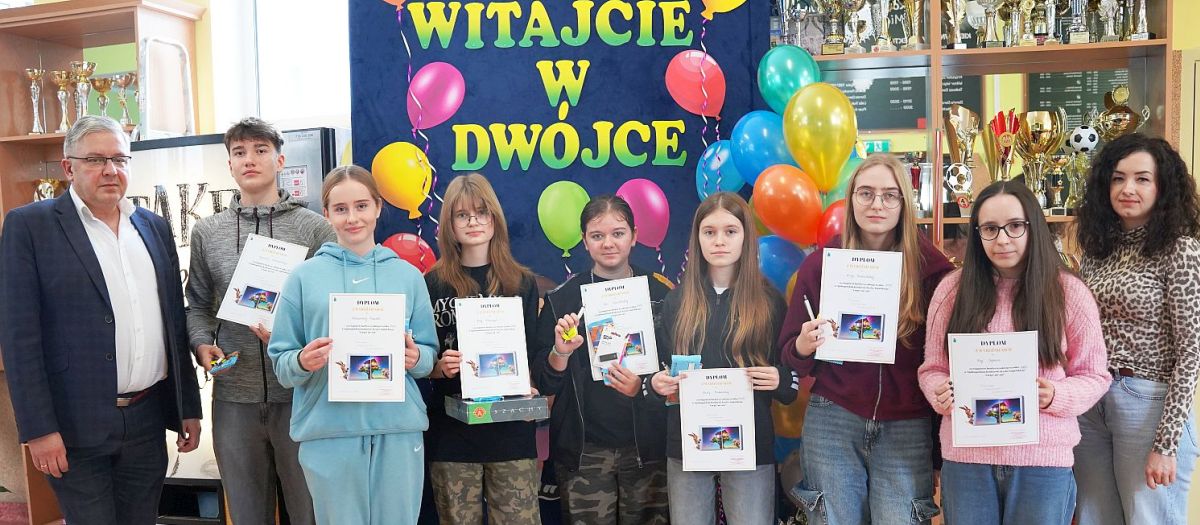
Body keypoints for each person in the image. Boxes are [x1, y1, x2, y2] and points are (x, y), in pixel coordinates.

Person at [0, 115, 202, 525]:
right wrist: (39, 430)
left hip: (147, 419)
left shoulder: (153, 227)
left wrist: (187, 407)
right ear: (68, 167)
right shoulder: (30, 226)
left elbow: (172, 324)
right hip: (73, 426)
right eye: (95, 160)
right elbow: (19, 338)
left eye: (119, 159)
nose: (111, 170)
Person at [918, 180, 1110, 525]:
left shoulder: (1068, 292)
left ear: (1032, 226)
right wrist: (940, 392)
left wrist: (1057, 395)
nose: (1002, 239)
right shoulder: (952, 291)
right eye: (990, 229)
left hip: (1042, 462)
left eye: (1014, 226)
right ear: (977, 234)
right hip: (967, 460)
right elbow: (932, 368)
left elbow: (1095, 375)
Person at [780, 154, 953, 525]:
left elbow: (943, 361)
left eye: (890, 195)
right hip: (834, 418)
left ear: (904, 202)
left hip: (906, 424)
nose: (877, 204)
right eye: (866, 193)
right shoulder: (821, 264)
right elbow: (789, 352)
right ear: (852, 198)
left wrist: (939, 450)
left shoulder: (934, 271)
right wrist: (804, 345)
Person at [267, 165, 437, 525]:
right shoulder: (302, 278)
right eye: (341, 209)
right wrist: (302, 361)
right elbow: (282, 364)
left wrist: (415, 357)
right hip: (328, 431)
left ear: (378, 207)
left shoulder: (408, 277)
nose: (352, 218)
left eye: (361, 206)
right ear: (326, 213)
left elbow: (428, 356)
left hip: (397, 430)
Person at [186, 117, 330, 525]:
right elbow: (197, 304)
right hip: (234, 396)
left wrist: (293, 339)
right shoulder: (207, 232)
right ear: (230, 165)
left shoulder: (315, 229)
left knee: (309, 513)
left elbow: (331, 308)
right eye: (239, 152)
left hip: (301, 395)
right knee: (247, 515)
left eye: (260, 150)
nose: (249, 159)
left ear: (280, 160)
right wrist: (201, 345)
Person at [1072, 133, 1200, 525]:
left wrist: (1167, 442)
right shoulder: (1098, 250)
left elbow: (1191, 353)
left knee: (1150, 518)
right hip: (1092, 402)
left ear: (1163, 187)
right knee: (1094, 517)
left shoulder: (1181, 249)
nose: (1128, 188)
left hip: (1146, 403)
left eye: (1142, 178)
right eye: (1118, 178)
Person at [647, 192, 796, 523]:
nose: (719, 241)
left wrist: (779, 377)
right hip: (688, 444)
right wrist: (657, 384)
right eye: (709, 232)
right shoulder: (676, 302)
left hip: (750, 445)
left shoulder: (769, 303)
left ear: (746, 236)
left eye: (730, 231)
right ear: (697, 238)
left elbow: (790, 377)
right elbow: (657, 374)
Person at [531, 195, 673, 524]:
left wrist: (645, 386)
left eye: (618, 233)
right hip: (585, 451)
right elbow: (544, 381)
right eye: (597, 235)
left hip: (648, 446)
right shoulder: (562, 300)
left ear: (634, 236)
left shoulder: (661, 295)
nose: (608, 243)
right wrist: (560, 353)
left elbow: (677, 365)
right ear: (584, 241)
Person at [422, 173, 541, 524]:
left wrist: (530, 386)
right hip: (452, 435)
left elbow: (532, 352)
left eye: (481, 212)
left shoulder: (522, 282)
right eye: (462, 215)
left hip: (511, 432)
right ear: (449, 224)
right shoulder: (432, 283)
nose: (473, 221)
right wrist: (438, 367)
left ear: (495, 218)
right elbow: (420, 359)